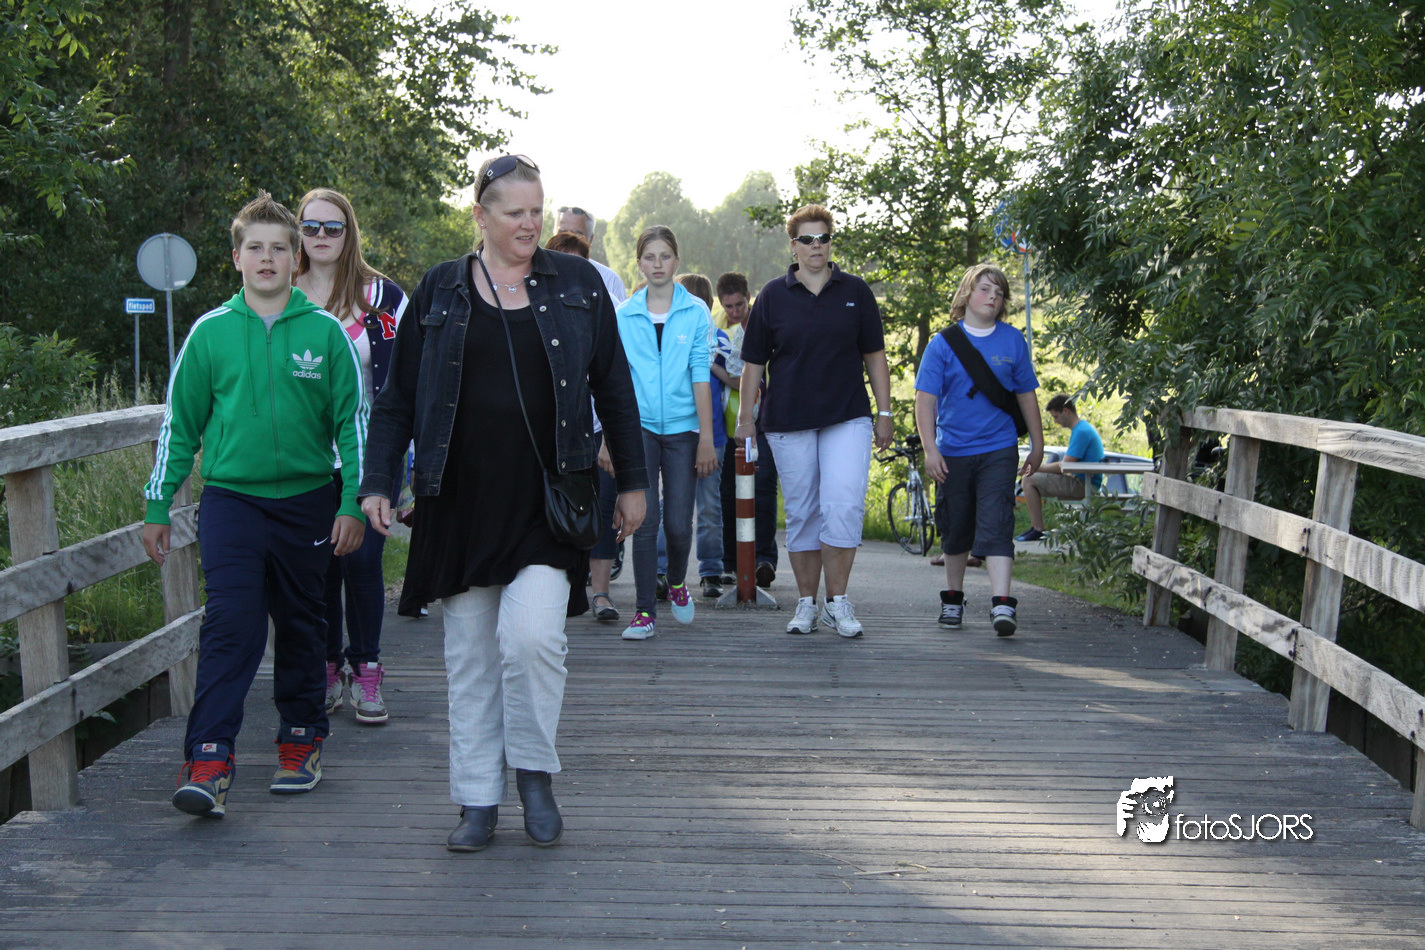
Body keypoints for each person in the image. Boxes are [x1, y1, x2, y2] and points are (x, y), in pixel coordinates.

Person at [358, 155, 646, 852]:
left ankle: (535, 775)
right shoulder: (440, 288)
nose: (529, 223)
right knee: (471, 659)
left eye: (536, 210)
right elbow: (396, 399)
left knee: (534, 640)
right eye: (514, 212)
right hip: (459, 502)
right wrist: (377, 481)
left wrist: (634, 481)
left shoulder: (577, 284)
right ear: (480, 216)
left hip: (548, 502)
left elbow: (613, 385)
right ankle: (477, 798)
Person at [143, 192, 368, 818]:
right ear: (236, 258)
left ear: (296, 259)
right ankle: (209, 759)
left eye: (278, 248)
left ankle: (301, 741)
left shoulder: (325, 333)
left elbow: (354, 425)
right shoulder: (210, 333)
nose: (266, 258)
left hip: (308, 502)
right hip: (232, 503)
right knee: (231, 624)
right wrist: (158, 503)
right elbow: (179, 426)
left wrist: (352, 501)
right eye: (254, 248)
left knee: (301, 623)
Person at [736, 205, 893, 638]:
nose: (816, 246)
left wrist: (885, 413)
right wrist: (746, 420)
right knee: (803, 513)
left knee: (843, 506)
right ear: (793, 246)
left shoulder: (855, 291)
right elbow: (753, 364)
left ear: (830, 242)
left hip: (847, 416)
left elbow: (875, 356)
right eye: (806, 239)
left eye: (823, 238)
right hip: (788, 419)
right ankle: (807, 603)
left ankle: (837, 603)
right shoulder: (772, 295)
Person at [294, 188, 409, 725]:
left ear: (349, 232)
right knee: (318, 567)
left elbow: (407, 377)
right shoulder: (281, 291)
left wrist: (411, 462)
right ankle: (326, 668)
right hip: (304, 457)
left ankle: (367, 670)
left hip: (370, 453)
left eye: (332, 227)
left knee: (362, 562)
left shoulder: (381, 297)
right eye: (310, 226)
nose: (321, 236)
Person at [914, 263, 1044, 637]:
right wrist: (930, 449)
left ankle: (1002, 604)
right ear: (967, 294)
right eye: (985, 289)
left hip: (999, 448)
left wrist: (1036, 444)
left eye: (999, 293)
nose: (992, 297)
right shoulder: (942, 344)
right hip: (952, 450)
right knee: (956, 525)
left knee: (998, 520)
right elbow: (925, 400)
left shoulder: (1013, 341)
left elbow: (1026, 395)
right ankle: (953, 599)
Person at [610, 226, 717, 640]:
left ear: (676, 260)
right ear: (639, 262)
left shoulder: (695, 312)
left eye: (665, 256)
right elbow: (615, 383)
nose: (658, 264)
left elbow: (701, 376)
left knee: (677, 523)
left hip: (683, 430)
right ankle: (643, 612)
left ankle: (675, 580)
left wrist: (705, 437)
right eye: (650, 257)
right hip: (638, 428)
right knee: (643, 518)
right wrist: (608, 439)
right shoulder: (624, 316)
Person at [546, 231, 622, 623]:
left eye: (578, 261)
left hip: (593, 427)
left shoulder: (603, 302)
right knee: (554, 510)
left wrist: (609, 437)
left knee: (600, 508)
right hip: (547, 430)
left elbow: (617, 380)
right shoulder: (529, 303)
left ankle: (601, 594)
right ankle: (556, 590)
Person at [653, 273, 728, 598]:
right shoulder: (664, 335)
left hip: (713, 435)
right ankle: (661, 570)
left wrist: (709, 363)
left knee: (708, 506)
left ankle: (710, 570)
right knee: (671, 505)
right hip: (676, 431)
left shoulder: (720, 339)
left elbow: (738, 376)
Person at [715, 272, 780, 588]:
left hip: (765, 421)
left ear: (748, 298)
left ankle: (764, 559)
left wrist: (714, 367)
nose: (735, 312)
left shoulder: (763, 324)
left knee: (764, 489)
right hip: (731, 424)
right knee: (729, 493)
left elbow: (741, 378)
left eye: (739, 305)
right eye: (728, 306)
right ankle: (731, 561)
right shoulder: (723, 333)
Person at [1016, 394, 1104, 542]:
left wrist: (1034, 468)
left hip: (1085, 485)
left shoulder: (1081, 432)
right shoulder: (1082, 428)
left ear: (1066, 411)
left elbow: (1065, 466)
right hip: (1084, 482)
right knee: (1029, 479)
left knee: (1028, 479)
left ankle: (1038, 529)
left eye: (1055, 416)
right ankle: (1036, 528)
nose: (1055, 421)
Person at [557, 205, 626, 305]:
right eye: (562, 232)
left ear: (591, 238)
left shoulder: (610, 281)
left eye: (576, 234)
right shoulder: (536, 276)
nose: (568, 239)